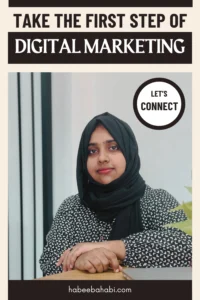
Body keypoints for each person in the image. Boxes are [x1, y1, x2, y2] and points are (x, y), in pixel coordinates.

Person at [39, 112, 192, 276]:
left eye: (113, 147)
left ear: (128, 151)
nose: (102, 158)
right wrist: (79, 261)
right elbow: (49, 263)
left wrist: (110, 247)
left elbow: (187, 248)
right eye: (92, 151)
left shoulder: (156, 199)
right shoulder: (72, 208)